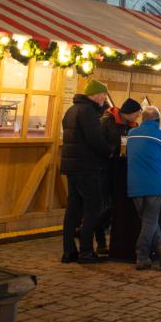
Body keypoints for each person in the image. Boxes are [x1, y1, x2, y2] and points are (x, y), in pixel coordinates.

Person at [60, 79, 112, 264]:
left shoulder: (72, 110)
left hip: (72, 168)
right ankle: (86, 251)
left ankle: (69, 251)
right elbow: (95, 140)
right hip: (87, 167)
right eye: (103, 94)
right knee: (93, 208)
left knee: (73, 210)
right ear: (95, 95)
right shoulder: (88, 112)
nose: (105, 98)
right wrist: (109, 151)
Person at [126, 106, 161, 270]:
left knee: (148, 221)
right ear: (157, 121)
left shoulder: (132, 134)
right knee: (149, 222)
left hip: (134, 184)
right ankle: (142, 256)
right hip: (155, 184)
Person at [97, 97, 143, 255]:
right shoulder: (107, 122)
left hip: (122, 170)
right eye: (137, 113)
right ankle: (100, 240)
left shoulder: (133, 126)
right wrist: (111, 152)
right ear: (129, 113)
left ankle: (115, 242)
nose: (138, 116)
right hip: (105, 169)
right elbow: (98, 143)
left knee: (116, 206)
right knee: (104, 205)